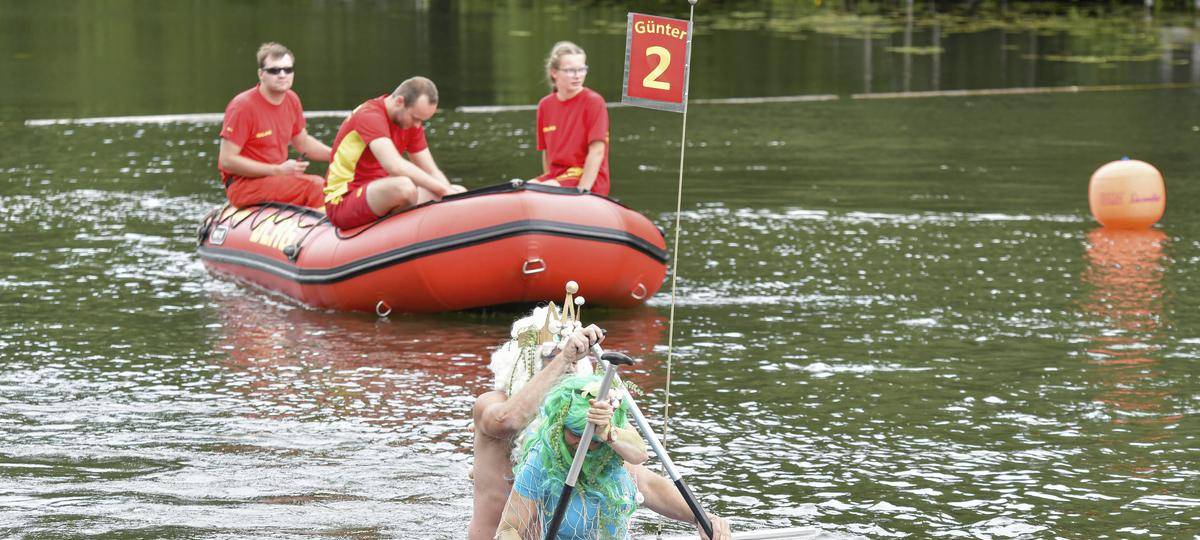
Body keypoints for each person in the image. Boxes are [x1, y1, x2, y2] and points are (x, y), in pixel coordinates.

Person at [469, 309, 730, 539]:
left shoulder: (591, 420)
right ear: (523, 363)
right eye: (552, 359)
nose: (568, 370)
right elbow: (508, 420)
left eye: (575, 361)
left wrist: (702, 518)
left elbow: (644, 480)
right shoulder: (492, 405)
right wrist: (564, 357)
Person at [496, 374, 647, 539]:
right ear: (560, 426)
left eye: (593, 440)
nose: (584, 446)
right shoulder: (541, 459)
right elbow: (507, 529)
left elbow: (640, 454)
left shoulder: (613, 444)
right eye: (576, 434)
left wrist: (606, 432)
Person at [323, 76, 467, 230]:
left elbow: (431, 171)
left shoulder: (411, 123)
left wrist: (450, 195)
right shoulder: (369, 115)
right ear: (399, 101)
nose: (417, 125)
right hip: (343, 201)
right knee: (404, 188)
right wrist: (443, 190)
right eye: (415, 118)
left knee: (458, 191)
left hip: (380, 195)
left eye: (421, 121)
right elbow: (394, 166)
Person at [218, 42, 331, 208]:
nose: (282, 75)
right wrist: (277, 170)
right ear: (261, 74)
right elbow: (227, 161)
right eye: (274, 70)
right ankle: (330, 222)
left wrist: (336, 155)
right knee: (315, 186)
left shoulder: (292, 99)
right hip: (243, 186)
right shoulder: (242, 107)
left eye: (288, 69)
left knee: (332, 183)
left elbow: (302, 142)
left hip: (277, 179)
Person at [528, 41, 611, 196]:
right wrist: (549, 183)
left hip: (586, 178)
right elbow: (546, 153)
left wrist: (583, 191)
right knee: (521, 189)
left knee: (539, 191)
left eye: (582, 69)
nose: (577, 75)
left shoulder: (594, 102)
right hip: (556, 176)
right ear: (554, 72)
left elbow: (597, 151)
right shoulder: (545, 105)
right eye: (570, 70)